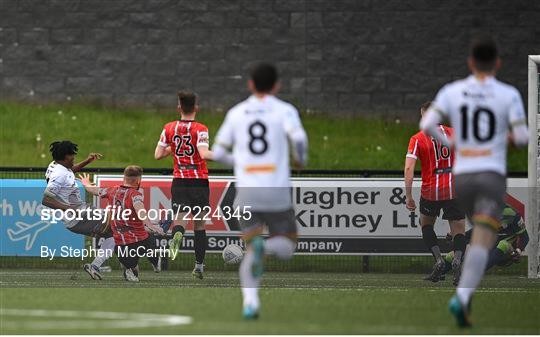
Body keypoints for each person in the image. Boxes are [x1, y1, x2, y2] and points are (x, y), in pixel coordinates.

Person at [420, 36, 528, 328]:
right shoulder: (508, 94)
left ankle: (462, 298)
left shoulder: (453, 91)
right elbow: (522, 138)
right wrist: (503, 139)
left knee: (476, 230)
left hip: (463, 178)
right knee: (482, 235)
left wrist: (453, 145)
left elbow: (426, 125)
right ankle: (463, 297)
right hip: (490, 174)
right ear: (498, 63)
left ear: (470, 63)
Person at [212, 63, 308, 319]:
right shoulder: (285, 111)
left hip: (247, 193)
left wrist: (242, 162)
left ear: (250, 84)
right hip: (276, 191)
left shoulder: (236, 113)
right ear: (277, 85)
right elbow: (298, 140)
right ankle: (265, 248)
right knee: (287, 246)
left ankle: (251, 303)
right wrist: (300, 159)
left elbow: (219, 152)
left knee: (251, 251)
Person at [404, 101, 466, 285]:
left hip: (431, 191)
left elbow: (409, 168)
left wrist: (408, 196)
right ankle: (457, 261)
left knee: (426, 225)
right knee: (458, 230)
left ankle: (439, 260)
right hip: (454, 189)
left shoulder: (417, 138)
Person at [154, 90, 213, 279]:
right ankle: (199, 266)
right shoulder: (201, 129)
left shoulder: (169, 127)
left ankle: (177, 234)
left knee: (180, 219)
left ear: (179, 107)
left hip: (179, 180)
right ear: (196, 107)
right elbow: (204, 154)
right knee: (200, 225)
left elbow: (158, 155)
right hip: (199, 180)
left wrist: (174, 146)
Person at [42, 140, 114, 280]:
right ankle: (129, 265)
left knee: (114, 234)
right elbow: (46, 200)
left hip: (81, 213)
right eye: (72, 156)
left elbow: (69, 171)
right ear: (64, 157)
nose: (74, 158)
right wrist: (70, 209)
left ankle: (95, 266)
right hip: (79, 215)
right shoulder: (59, 174)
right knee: (118, 226)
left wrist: (88, 161)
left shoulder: (56, 165)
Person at [79, 166, 164, 282]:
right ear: (139, 180)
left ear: (124, 178)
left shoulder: (111, 190)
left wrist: (86, 183)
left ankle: (130, 269)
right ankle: (152, 263)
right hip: (141, 240)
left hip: (121, 245)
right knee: (151, 245)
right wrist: (150, 224)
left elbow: (93, 190)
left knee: (132, 267)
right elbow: (140, 210)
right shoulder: (135, 195)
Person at [442, 203, 529, 273]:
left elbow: (525, 237)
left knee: (503, 244)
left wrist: (518, 251)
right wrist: (457, 237)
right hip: (489, 246)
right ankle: (439, 272)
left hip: (508, 250)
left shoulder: (513, 214)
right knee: (453, 255)